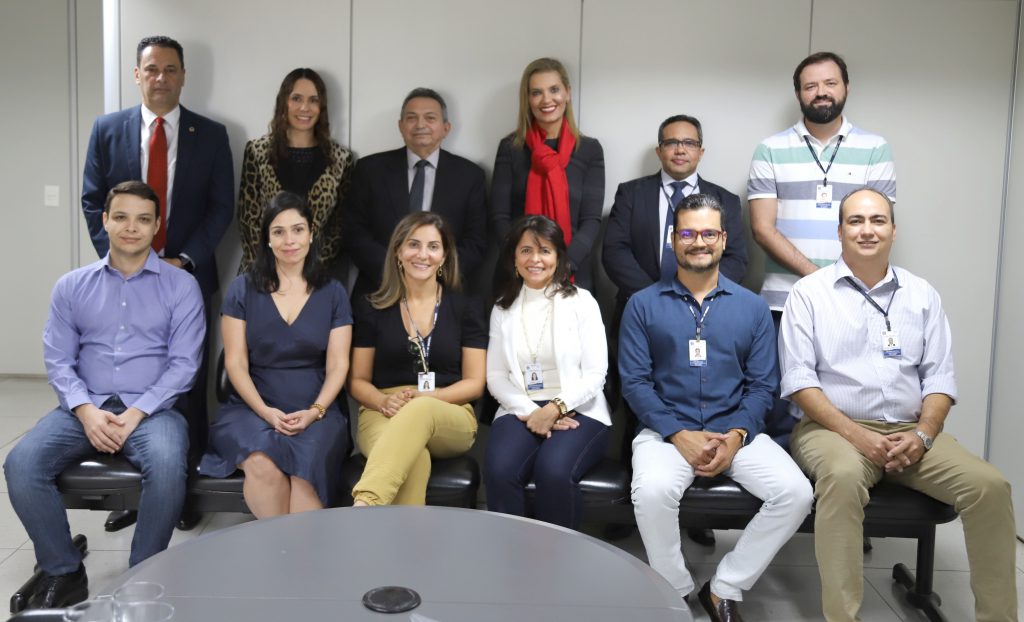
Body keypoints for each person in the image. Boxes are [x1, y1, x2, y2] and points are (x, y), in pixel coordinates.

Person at [780, 187, 1017, 622]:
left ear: (893, 230)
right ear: (840, 232)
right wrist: (859, 437)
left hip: (911, 431)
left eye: (877, 221)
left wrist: (924, 434)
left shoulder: (922, 294)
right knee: (844, 475)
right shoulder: (809, 294)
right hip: (833, 430)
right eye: (856, 221)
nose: (867, 230)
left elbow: (940, 379)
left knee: (990, 487)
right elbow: (800, 383)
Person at [4, 181, 204, 608]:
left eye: (143, 219)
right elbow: (58, 359)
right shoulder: (72, 286)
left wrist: (135, 413)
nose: (131, 227)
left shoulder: (181, 287)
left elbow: (184, 364)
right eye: (121, 217)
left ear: (156, 227)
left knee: (169, 464)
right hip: (83, 406)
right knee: (20, 464)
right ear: (105, 221)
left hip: (152, 411)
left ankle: (141, 576)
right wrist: (86, 411)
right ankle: (63, 569)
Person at [620, 193, 812, 620]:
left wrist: (737, 435)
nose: (698, 241)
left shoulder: (753, 308)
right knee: (651, 492)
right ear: (673, 241)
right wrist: (677, 433)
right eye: (688, 233)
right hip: (665, 431)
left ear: (724, 240)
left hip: (736, 430)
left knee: (796, 493)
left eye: (708, 233)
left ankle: (725, 586)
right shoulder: (643, 305)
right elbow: (634, 383)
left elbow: (764, 385)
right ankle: (675, 590)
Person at [603, 113, 749, 548]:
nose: (680, 149)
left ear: (701, 151)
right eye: (671, 143)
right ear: (659, 150)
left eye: (688, 143)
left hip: (711, 319)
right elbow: (615, 251)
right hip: (641, 315)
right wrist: (661, 301)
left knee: (703, 404)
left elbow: (738, 259)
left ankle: (697, 512)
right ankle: (638, 505)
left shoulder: (725, 199)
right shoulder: (632, 193)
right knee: (638, 406)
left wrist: (697, 297)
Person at [81, 35, 233, 433]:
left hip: (188, 273)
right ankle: (120, 446)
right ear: (137, 75)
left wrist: (182, 261)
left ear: (183, 76)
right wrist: (125, 259)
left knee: (188, 374)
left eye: (170, 69)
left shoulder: (212, 135)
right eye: (151, 69)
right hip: (122, 275)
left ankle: (188, 462)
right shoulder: (107, 129)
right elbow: (92, 200)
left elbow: (222, 208)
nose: (160, 78)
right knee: (122, 365)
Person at [199, 192, 353, 517]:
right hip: (251, 408)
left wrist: (315, 411)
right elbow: (235, 362)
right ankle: (281, 558)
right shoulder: (242, 289)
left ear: (312, 234)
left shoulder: (334, 292)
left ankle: (292, 562)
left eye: (297, 230)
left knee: (306, 474)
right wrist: (266, 412)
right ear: (267, 239)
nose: (289, 240)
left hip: (317, 410)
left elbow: (339, 364)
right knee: (262, 465)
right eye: (278, 231)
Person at [349, 212, 485, 506]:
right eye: (413, 245)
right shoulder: (372, 307)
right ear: (398, 251)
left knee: (421, 411)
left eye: (433, 247)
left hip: (448, 409)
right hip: (382, 408)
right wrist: (383, 401)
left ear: (445, 255)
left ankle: (365, 506)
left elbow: (475, 384)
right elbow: (357, 381)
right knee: (414, 457)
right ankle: (410, 549)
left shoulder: (467, 306)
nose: (423, 255)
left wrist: (431, 396)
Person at [485, 215, 611, 529]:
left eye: (545, 250)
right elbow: (496, 376)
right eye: (526, 250)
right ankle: (510, 559)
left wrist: (555, 408)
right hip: (520, 408)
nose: (535, 259)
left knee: (553, 471)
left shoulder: (582, 302)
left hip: (580, 410)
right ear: (514, 257)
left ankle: (558, 565)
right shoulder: (502, 308)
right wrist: (532, 412)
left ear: (558, 258)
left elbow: (596, 373)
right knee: (500, 470)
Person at [748, 51, 895, 312]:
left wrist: (837, 283)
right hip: (785, 301)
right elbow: (762, 230)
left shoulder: (875, 149)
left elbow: (877, 228)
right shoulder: (769, 149)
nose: (821, 92)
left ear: (846, 88)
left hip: (856, 298)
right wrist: (820, 279)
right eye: (810, 86)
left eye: (830, 83)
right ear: (798, 94)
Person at [343, 88, 486, 298]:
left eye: (430, 118)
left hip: (445, 293)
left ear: (446, 128)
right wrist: (393, 273)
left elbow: (476, 241)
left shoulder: (470, 176)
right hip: (380, 289)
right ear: (400, 126)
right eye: (411, 118)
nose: (420, 125)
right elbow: (354, 232)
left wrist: (432, 275)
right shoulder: (369, 170)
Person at [491, 57, 605, 290]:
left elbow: (591, 220)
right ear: (528, 99)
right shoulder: (510, 148)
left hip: (573, 273)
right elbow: (500, 217)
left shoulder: (589, 149)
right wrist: (525, 262)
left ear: (568, 93)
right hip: (518, 274)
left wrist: (564, 264)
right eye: (536, 93)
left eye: (554, 89)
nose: (546, 100)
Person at [237, 68, 354, 276]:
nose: (304, 107)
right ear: (284, 102)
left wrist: (308, 272)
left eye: (313, 100)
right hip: (262, 275)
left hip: (315, 279)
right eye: (296, 98)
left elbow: (339, 228)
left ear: (322, 107)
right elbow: (248, 220)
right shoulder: (257, 151)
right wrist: (271, 270)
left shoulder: (341, 159)